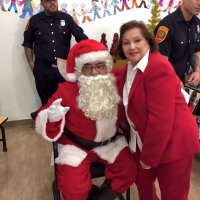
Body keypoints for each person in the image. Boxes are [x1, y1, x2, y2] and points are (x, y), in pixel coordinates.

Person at [35, 39, 137, 200]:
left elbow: (139, 71)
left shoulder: (116, 82)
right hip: (75, 147)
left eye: (100, 65)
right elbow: (44, 114)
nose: (95, 72)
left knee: (129, 170)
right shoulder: (66, 89)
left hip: (109, 144)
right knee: (73, 188)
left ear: (107, 66)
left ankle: (99, 196)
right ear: (79, 70)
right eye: (88, 67)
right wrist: (52, 117)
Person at [116, 20, 200, 200]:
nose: (132, 46)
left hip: (174, 142)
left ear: (148, 41)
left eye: (137, 40)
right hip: (144, 140)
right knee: (142, 183)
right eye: (126, 42)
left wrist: (149, 157)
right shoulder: (127, 69)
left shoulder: (158, 66)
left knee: (173, 194)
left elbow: (160, 120)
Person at [22, 0, 88, 118]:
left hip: (63, 68)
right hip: (42, 69)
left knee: (66, 100)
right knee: (47, 101)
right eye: (48, 1)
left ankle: (65, 129)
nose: (52, 3)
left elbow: (80, 36)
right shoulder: (34, 21)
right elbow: (27, 44)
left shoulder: (67, 19)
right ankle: (50, 128)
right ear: (42, 3)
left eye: (54, 0)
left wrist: (91, 47)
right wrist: (32, 65)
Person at [154, 0, 200, 86]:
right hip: (164, 82)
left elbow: (197, 50)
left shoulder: (197, 23)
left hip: (182, 81)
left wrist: (197, 71)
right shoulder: (167, 25)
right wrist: (175, 81)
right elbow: (160, 61)